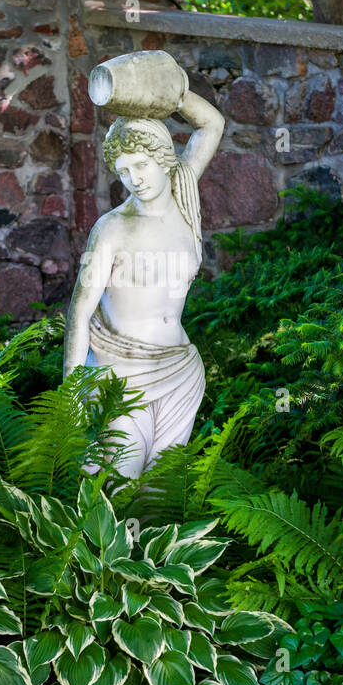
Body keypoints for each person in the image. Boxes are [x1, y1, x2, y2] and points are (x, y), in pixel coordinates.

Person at [62, 82, 224, 478]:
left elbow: (212, 124)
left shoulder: (184, 196)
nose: (134, 179)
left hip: (179, 369)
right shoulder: (112, 228)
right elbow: (79, 312)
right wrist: (70, 395)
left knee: (157, 498)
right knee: (117, 484)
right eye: (123, 171)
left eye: (141, 165)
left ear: (164, 159)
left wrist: (171, 90)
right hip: (118, 372)